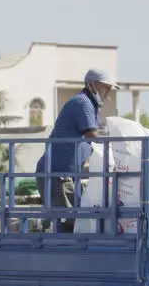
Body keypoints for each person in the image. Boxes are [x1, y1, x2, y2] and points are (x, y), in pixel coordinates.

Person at [35, 68, 119, 232]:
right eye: (105, 87)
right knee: (72, 222)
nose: (108, 92)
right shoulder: (83, 102)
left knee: (78, 220)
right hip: (56, 175)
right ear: (92, 85)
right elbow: (92, 135)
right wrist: (118, 143)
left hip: (67, 176)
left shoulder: (89, 105)